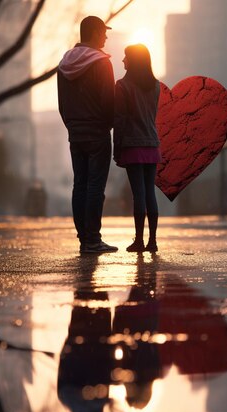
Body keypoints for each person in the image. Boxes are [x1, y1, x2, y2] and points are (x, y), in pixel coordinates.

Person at [58, 16, 118, 254]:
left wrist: (72, 125)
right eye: (103, 32)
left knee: (79, 185)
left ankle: (84, 238)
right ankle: (93, 239)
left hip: (76, 134)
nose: (106, 36)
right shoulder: (102, 63)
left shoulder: (64, 64)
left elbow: (62, 104)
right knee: (94, 187)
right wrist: (108, 125)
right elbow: (108, 101)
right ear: (93, 32)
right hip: (97, 133)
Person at [114, 44, 161, 252]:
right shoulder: (156, 86)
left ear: (132, 61)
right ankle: (152, 241)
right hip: (152, 144)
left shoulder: (122, 86)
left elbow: (120, 120)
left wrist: (117, 149)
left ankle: (139, 241)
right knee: (150, 192)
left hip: (132, 145)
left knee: (138, 194)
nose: (123, 61)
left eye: (126, 57)